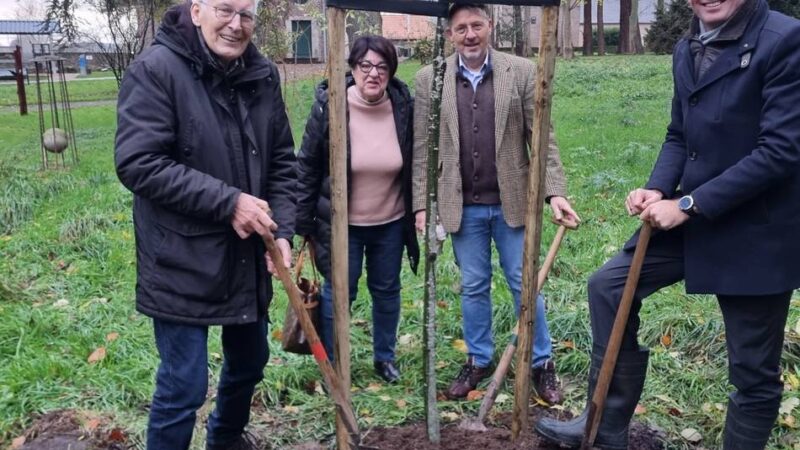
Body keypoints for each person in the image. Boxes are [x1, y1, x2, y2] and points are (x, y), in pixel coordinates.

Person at [535, 0, 800, 447]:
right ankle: (603, 427)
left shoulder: (785, 40)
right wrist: (658, 188)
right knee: (609, 287)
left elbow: (781, 151)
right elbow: (680, 134)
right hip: (693, 218)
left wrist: (689, 203)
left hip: (758, 230)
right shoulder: (688, 45)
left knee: (753, 373)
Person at [114, 0, 296, 448]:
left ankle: (226, 439)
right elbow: (139, 163)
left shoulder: (262, 75)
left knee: (251, 361)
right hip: (180, 256)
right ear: (197, 11)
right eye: (224, 10)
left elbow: (282, 164)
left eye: (247, 14)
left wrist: (285, 232)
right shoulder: (156, 70)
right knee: (184, 385)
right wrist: (228, 202)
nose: (236, 25)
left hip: (247, 252)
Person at [412, 3, 580, 403]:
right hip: (461, 206)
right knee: (472, 286)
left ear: (490, 26)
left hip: (512, 202)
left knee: (525, 283)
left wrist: (554, 191)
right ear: (450, 35)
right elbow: (422, 147)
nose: (469, 35)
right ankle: (478, 359)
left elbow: (542, 139)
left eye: (476, 26)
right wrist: (422, 204)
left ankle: (541, 363)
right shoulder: (430, 79)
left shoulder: (519, 72)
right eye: (460, 29)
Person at [295, 35, 420, 384]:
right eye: (365, 65)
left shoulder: (402, 104)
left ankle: (385, 358)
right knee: (339, 291)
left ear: (391, 72)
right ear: (352, 67)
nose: (373, 74)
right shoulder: (330, 105)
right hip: (341, 224)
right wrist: (303, 223)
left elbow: (416, 160)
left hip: (390, 222)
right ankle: (336, 364)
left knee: (387, 290)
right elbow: (306, 166)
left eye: (382, 67)